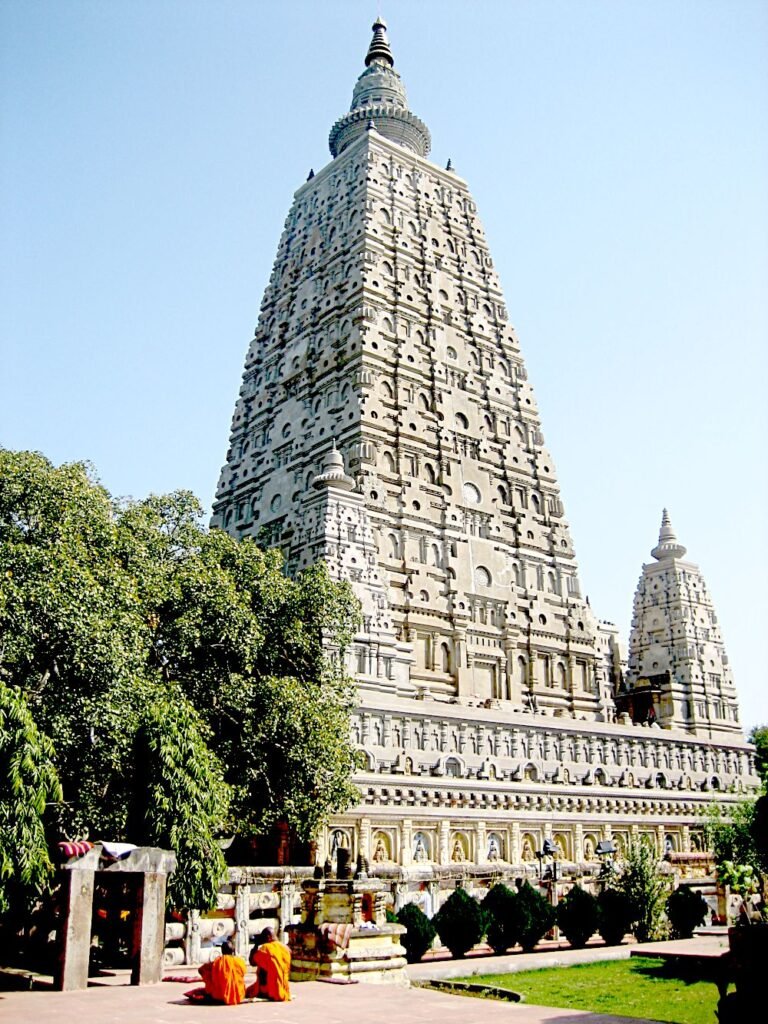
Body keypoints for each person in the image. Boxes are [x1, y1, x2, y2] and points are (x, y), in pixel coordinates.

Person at [189, 940, 246, 1005]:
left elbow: (201, 970)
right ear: (233, 951)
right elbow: (243, 973)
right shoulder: (239, 962)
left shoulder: (217, 962)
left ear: (222, 951)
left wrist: (210, 977)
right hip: (238, 996)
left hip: (219, 997)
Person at [246, 927, 291, 1001]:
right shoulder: (286, 948)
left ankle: (266, 991)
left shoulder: (266, 948)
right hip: (284, 988)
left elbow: (252, 962)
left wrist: (256, 944)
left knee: (247, 991)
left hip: (269, 989)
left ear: (268, 937)